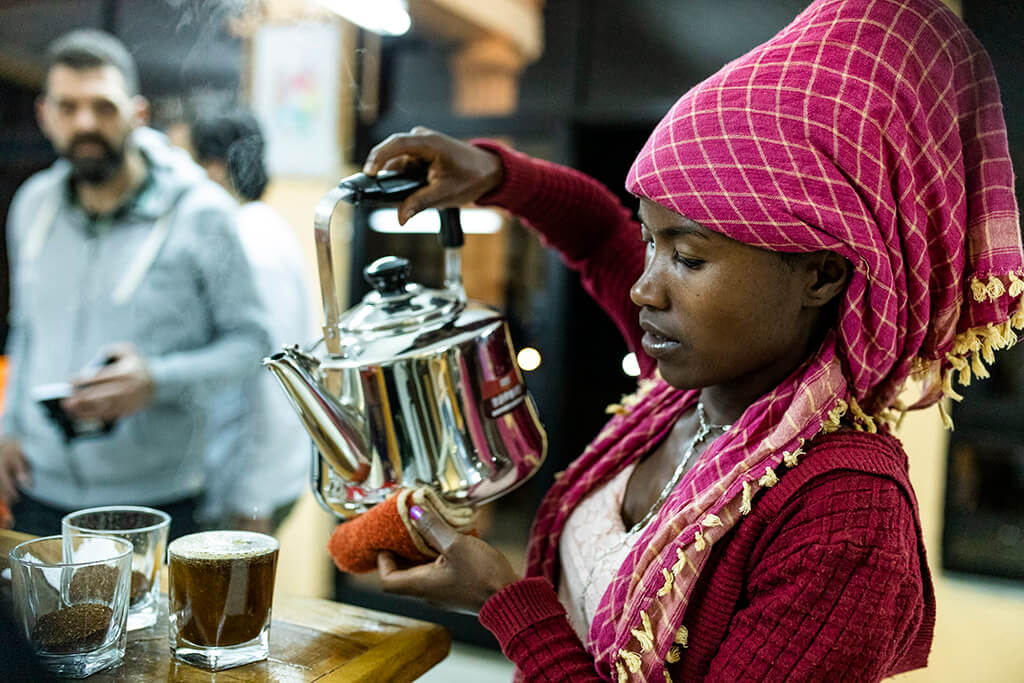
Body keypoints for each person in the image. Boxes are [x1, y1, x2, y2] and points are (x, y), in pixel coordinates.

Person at [359, 0, 1023, 680]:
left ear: (821, 274)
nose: (646, 287)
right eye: (653, 240)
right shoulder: (688, 390)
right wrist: (497, 176)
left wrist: (507, 604)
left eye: (689, 257)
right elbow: (596, 234)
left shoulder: (845, 518)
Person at [0, 29, 270, 540]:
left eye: (103, 106)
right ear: (45, 115)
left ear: (137, 113)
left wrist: (157, 379)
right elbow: (25, 330)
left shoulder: (202, 214)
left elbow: (251, 345)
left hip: (154, 503)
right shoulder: (32, 205)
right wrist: (7, 430)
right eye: (69, 106)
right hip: (39, 490)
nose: (85, 122)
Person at [187, 108, 313, 533]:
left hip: (247, 488)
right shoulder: (261, 229)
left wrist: (252, 500)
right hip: (251, 477)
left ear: (215, 168)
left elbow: (272, 377)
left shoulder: (250, 242)